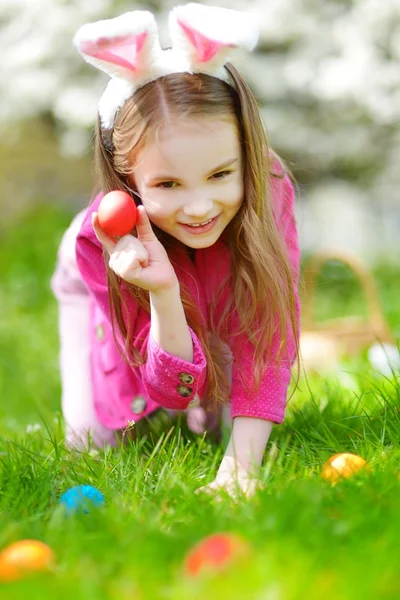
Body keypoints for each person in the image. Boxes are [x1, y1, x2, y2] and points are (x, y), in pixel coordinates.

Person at [51, 3, 300, 497]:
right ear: (128, 181)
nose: (199, 206)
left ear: (247, 155)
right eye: (167, 183)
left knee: (226, 423)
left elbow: (267, 343)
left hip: (219, 267)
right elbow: (167, 389)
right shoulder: (101, 239)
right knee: (95, 440)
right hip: (102, 273)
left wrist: (240, 470)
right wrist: (162, 292)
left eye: (221, 174)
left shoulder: (270, 192)